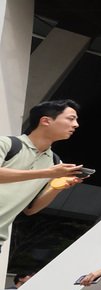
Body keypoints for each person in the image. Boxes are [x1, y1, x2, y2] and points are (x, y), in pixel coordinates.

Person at [0, 100, 86, 250]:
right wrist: (47, 173)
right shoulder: (7, 144)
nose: (76, 125)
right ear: (45, 121)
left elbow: (31, 209)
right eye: (71, 118)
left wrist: (58, 186)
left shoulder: (54, 162)